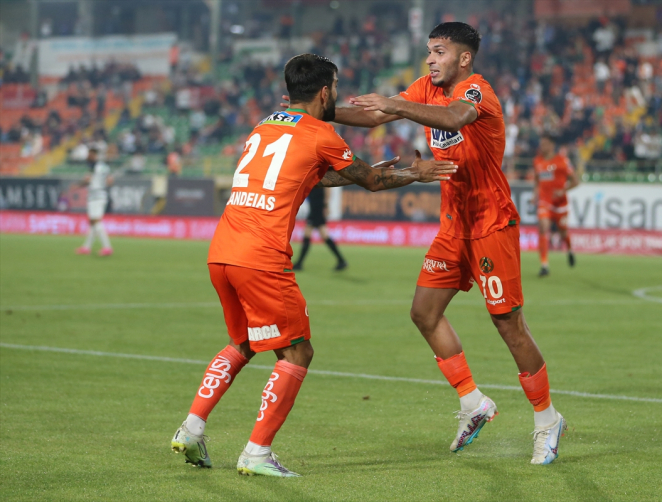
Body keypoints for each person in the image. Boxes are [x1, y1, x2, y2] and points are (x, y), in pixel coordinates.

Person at [170, 54, 457, 478]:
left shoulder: (265, 124)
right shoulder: (322, 133)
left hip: (223, 250)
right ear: (325, 92)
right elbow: (372, 181)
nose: (336, 94)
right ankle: (256, 452)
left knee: (242, 343)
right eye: (336, 88)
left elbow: (310, 174)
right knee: (298, 351)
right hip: (261, 256)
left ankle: (192, 428)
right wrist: (417, 173)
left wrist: (356, 173)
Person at [327, 22, 567, 465]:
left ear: (464, 57)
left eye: (438, 51)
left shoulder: (478, 91)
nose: (430, 59)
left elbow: (455, 117)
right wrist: (322, 111)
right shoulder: (425, 88)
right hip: (454, 224)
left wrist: (397, 104)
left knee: (508, 325)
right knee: (424, 312)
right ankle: (474, 403)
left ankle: (547, 419)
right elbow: (375, 116)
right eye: (429, 51)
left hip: (491, 224)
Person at [533, 135, 579, 277]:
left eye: (545, 144)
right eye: (541, 144)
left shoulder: (562, 161)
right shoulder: (537, 161)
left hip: (560, 204)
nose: (542, 147)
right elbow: (537, 181)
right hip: (545, 202)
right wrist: (534, 196)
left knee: (563, 232)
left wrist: (563, 190)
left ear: (552, 145)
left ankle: (570, 250)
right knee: (543, 227)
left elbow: (575, 181)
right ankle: (544, 265)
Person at [293, 185, 347, 271]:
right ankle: (341, 260)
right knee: (323, 235)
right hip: (315, 208)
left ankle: (299, 263)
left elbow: (328, 188)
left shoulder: (320, 179)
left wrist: (326, 206)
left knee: (309, 235)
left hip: (318, 208)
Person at [76, 147, 113, 256]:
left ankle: (107, 247)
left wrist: (77, 185)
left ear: (95, 155)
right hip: (98, 195)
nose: (88, 156)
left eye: (90, 154)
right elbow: (110, 180)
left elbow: (87, 180)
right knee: (93, 223)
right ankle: (86, 247)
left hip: (96, 196)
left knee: (96, 221)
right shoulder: (103, 167)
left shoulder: (94, 167)